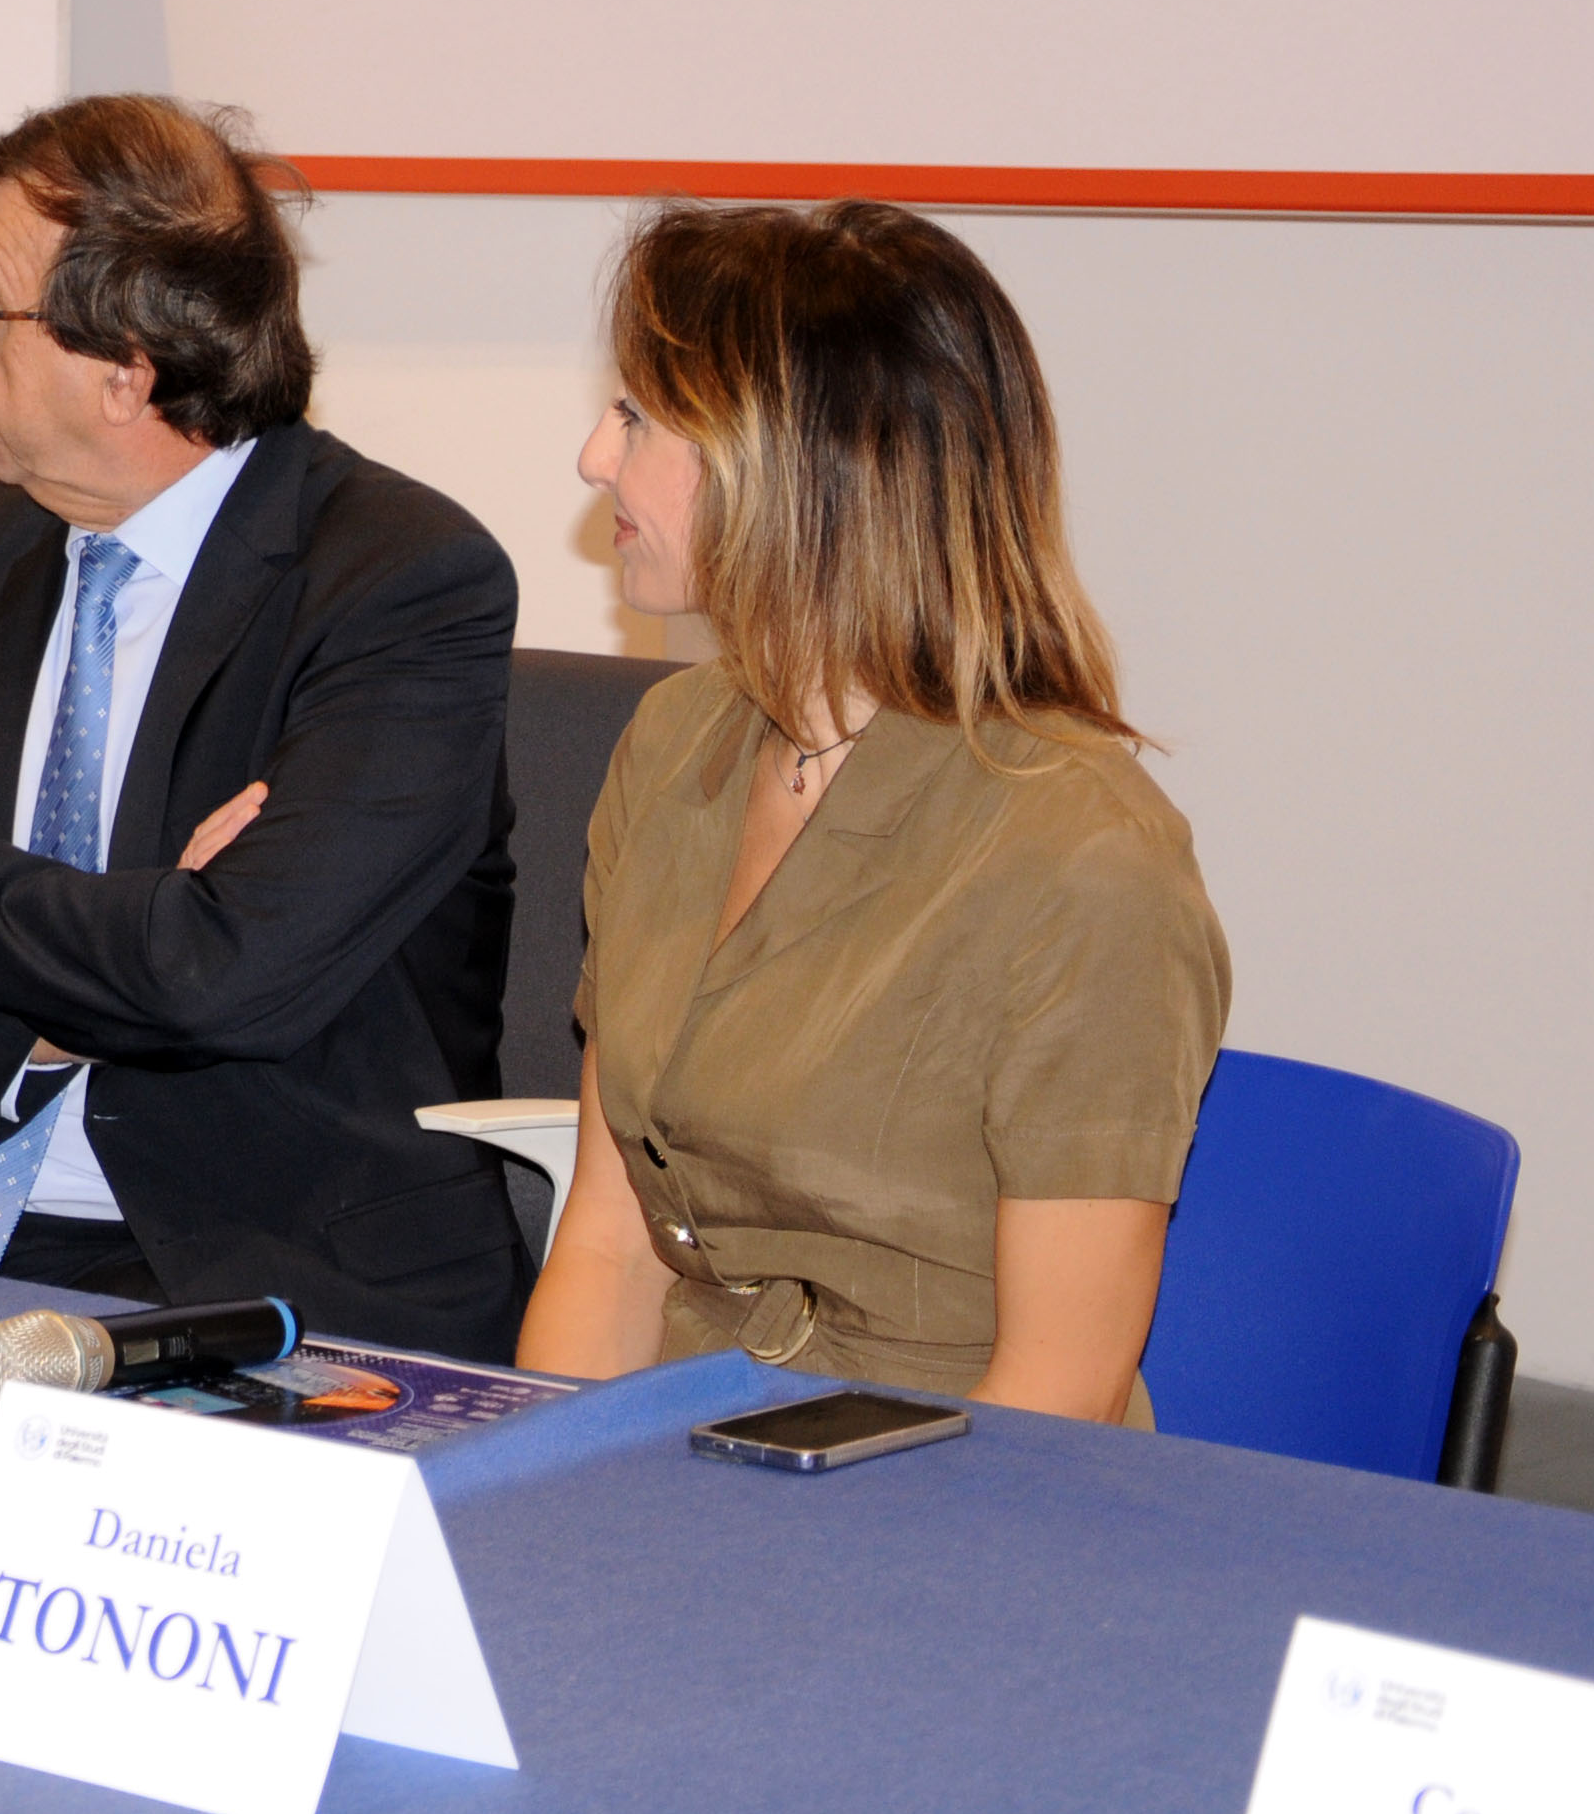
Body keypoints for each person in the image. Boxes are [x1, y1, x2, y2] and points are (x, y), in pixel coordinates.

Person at [0, 95, 530, 1355]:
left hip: (230, 1265)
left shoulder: (398, 579)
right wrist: (65, 1001)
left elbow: (222, 979)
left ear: (126, 368)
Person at [514, 200, 1229, 1421]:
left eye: (636, 417)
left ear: (796, 468)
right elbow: (610, 1243)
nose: (592, 456)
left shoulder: (1086, 858)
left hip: (940, 1479)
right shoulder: (674, 741)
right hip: (676, 1458)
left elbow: (1057, 1395)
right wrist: (527, 1491)